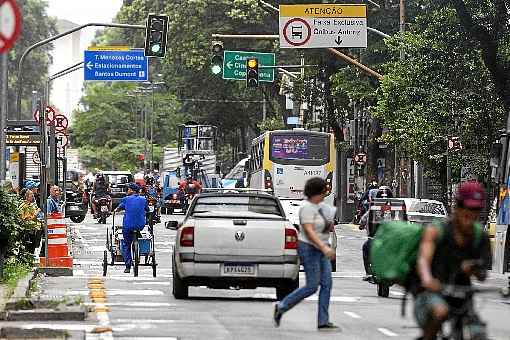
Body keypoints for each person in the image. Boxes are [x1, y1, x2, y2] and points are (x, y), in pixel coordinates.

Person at [414, 181, 491, 340]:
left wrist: (473, 269)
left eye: (476, 209)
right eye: (467, 207)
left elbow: (482, 275)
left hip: (463, 296)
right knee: (440, 312)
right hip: (433, 293)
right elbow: (423, 260)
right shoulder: (437, 231)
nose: (471, 213)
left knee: (478, 332)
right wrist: (428, 279)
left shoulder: (480, 237)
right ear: (457, 206)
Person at [273, 177, 338, 330]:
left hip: (323, 247)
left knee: (327, 284)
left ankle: (323, 321)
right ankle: (282, 306)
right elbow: (309, 232)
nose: (326, 193)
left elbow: (326, 226)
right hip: (309, 248)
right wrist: (324, 248)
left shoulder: (322, 207)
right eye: (324, 190)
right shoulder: (306, 208)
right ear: (318, 191)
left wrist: (328, 231)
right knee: (312, 286)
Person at [360, 186, 394, 281]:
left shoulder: (374, 208)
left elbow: (363, 220)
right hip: (393, 240)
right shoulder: (396, 208)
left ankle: (368, 273)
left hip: (376, 239)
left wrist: (361, 225)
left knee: (365, 248)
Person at [114, 183, 147, 273]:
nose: (127, 190)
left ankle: (128, 266)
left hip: (128, 226)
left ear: (131, 190)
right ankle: (137, 236)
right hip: (140, 225)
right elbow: (147, 209)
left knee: (126, 244)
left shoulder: (126, 199)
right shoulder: (143, 199)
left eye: (128, 189)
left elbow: (119, 208)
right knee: (137, 228)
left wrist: (116, 210)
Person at [18, 189, 42, 255]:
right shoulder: (24, 206)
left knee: (34, 246)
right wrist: (36, 213)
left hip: (35, 229)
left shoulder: (32, 205)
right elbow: (27, 219)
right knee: (29, 247)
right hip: (28, 230)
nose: (33, 196)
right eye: (31, 195)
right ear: (27, 197)